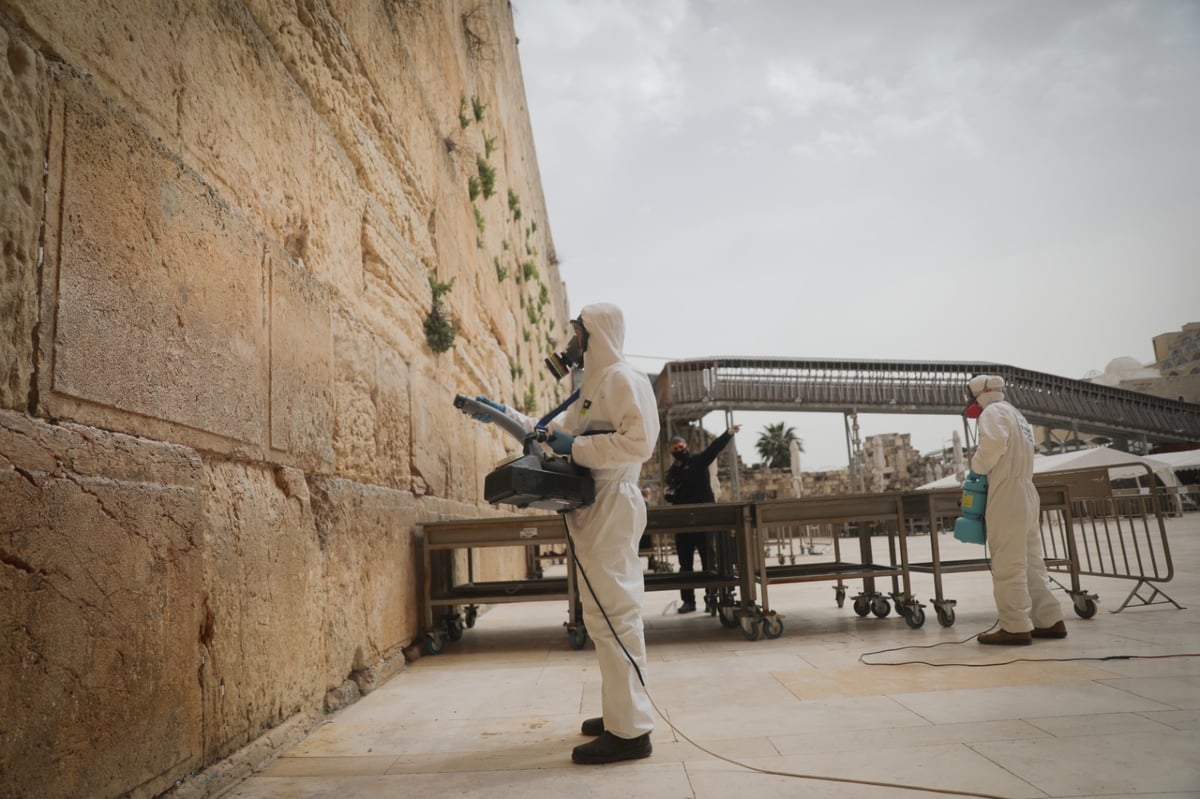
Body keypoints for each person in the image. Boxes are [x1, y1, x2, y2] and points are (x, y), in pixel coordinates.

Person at [474, 303, 659, 764]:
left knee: (616, 613)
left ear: (594, 334)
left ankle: (631, 731)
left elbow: (639, 444)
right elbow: (558, 433)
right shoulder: (592, 386)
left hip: (613, 502)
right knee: (601, 615)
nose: (572, 344)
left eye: (577, 334)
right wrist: (505, 415)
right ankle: (620, 710)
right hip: (593, 507)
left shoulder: (624, 379)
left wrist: (573, 446)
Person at [965, 374, 1067, 645]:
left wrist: (975, 468)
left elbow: (994, 446)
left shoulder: (992, 412)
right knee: (1032, 561)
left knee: (1008, 561)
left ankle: (1015, 626)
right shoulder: (1016, 414)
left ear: (981, 393)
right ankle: (1050, 619)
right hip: (1026, 489)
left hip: (1007, 491)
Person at [664, 425, 741, 613]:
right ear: (670, 452)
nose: (679, 451)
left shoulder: (698, 461)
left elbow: (714, 448)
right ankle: (688, 601)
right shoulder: (672, 472)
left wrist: (728, 433)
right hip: (682, 522)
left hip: (704, 520)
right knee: (685, 565)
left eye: (681, 447)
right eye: (675, 449)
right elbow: (672, 492)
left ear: (686, 446)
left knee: (709, 561)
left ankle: (711, 598)